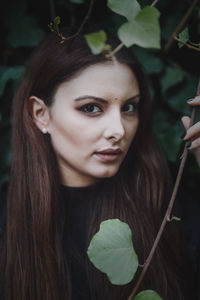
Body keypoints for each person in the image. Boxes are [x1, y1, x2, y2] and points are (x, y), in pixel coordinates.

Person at [0, 25, 199, 300]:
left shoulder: (171, 214)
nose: (118, 129)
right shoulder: (6, 219)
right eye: (91, 107)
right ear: (40, 114)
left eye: (129, 107)